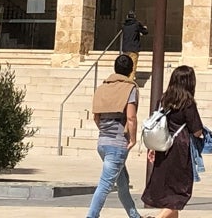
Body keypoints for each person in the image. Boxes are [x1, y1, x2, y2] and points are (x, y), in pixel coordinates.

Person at [86, 54, 145, 218]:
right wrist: (132, 139)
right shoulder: (130, 88)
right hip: (117, 143)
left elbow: (96, 117)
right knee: (105, 184)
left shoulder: (102, 87)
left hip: (103, 142)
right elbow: (131, 117)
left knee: (123, 183)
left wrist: (105, 131)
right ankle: (91, 216)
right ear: (131, 70)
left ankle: (134, 215)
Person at [142, 65, 205, 218]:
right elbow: (197, 130)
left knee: (169, 192)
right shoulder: (188, 103)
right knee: (179, 194)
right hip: (180, 149)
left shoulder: (163, 100)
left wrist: (152, 148)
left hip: (162, 146)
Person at [120, 11, 147, 79]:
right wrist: (144, 28)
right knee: (133, 67)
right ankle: (130, 82)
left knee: (126, 66)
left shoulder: (124, 25)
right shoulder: (136, 24)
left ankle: (125, 79)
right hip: (133, 48)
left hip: (125, 49)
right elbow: (144, 32)